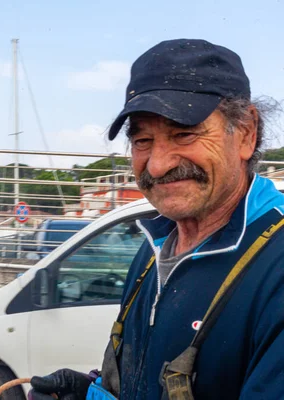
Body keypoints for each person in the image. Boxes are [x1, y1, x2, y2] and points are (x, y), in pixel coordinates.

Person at [28, 39, 284, 400]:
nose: (157, 164)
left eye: (184, 133)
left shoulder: (276, 267)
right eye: (143, 140)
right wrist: (89, 396)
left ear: (246, 133)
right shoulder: (153, 251)